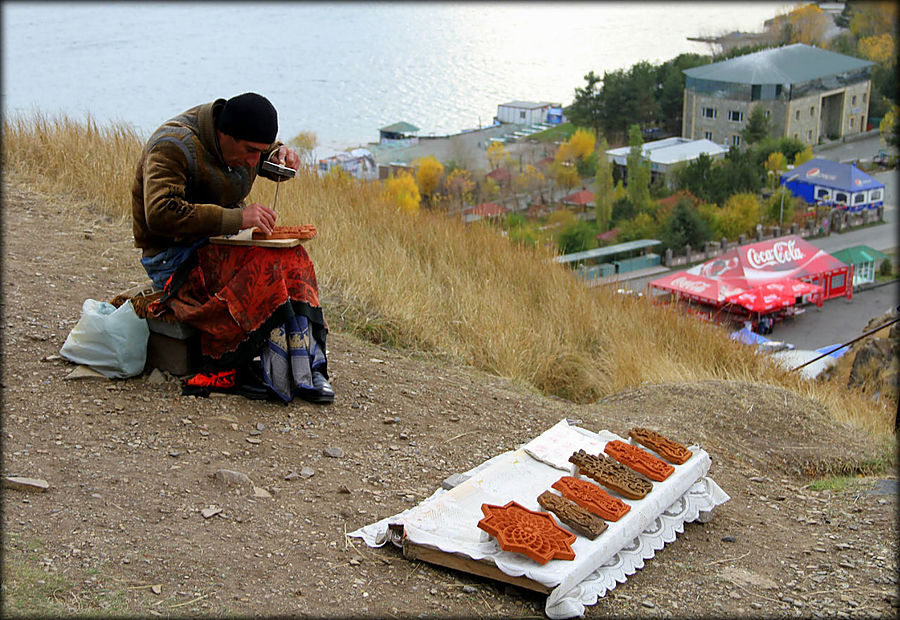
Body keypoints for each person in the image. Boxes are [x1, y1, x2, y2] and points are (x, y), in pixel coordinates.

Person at [132, 92, 333, 404]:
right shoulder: (173, 146)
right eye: (251, 151)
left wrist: (282, 158)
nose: (255, 161)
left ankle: (307, 366)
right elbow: (160, 214)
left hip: (223, 242)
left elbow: (261, 153)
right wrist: (238, 218)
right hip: (174, 258)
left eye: (261, 152)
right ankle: (228, 366)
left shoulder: (239, 139)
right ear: (223, 135)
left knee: (293, 256)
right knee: (262, 266)